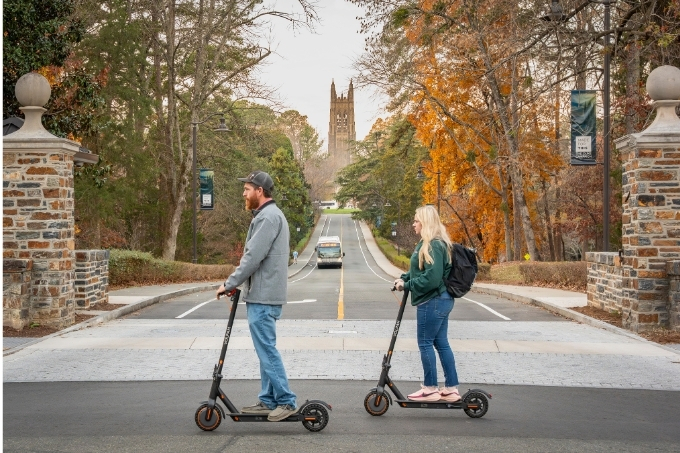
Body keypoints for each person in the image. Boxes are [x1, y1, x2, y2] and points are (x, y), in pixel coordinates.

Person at [216, 170, 297, 422]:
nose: (244, 193)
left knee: (267, 351)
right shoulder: (269, 215)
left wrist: (229, 283)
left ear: (259, 191)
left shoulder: (267, 218)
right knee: (265, 349)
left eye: (247, 189)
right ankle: (268, 399)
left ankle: (286, 400)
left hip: (263, 296)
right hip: (263, 293)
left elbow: (252, 257)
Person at [393, 205, 461, 403]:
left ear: (425, 222)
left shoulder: (433, 245)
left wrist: (408, 284)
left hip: (433, 300)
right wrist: (404, 278)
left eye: (416, 220)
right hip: (441, 300)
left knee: (425, 343)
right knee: (441, 343)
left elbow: (432, 278)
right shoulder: (431, 244)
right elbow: (420, 271)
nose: (413, 224)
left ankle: (430, 388)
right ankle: (451, 389)